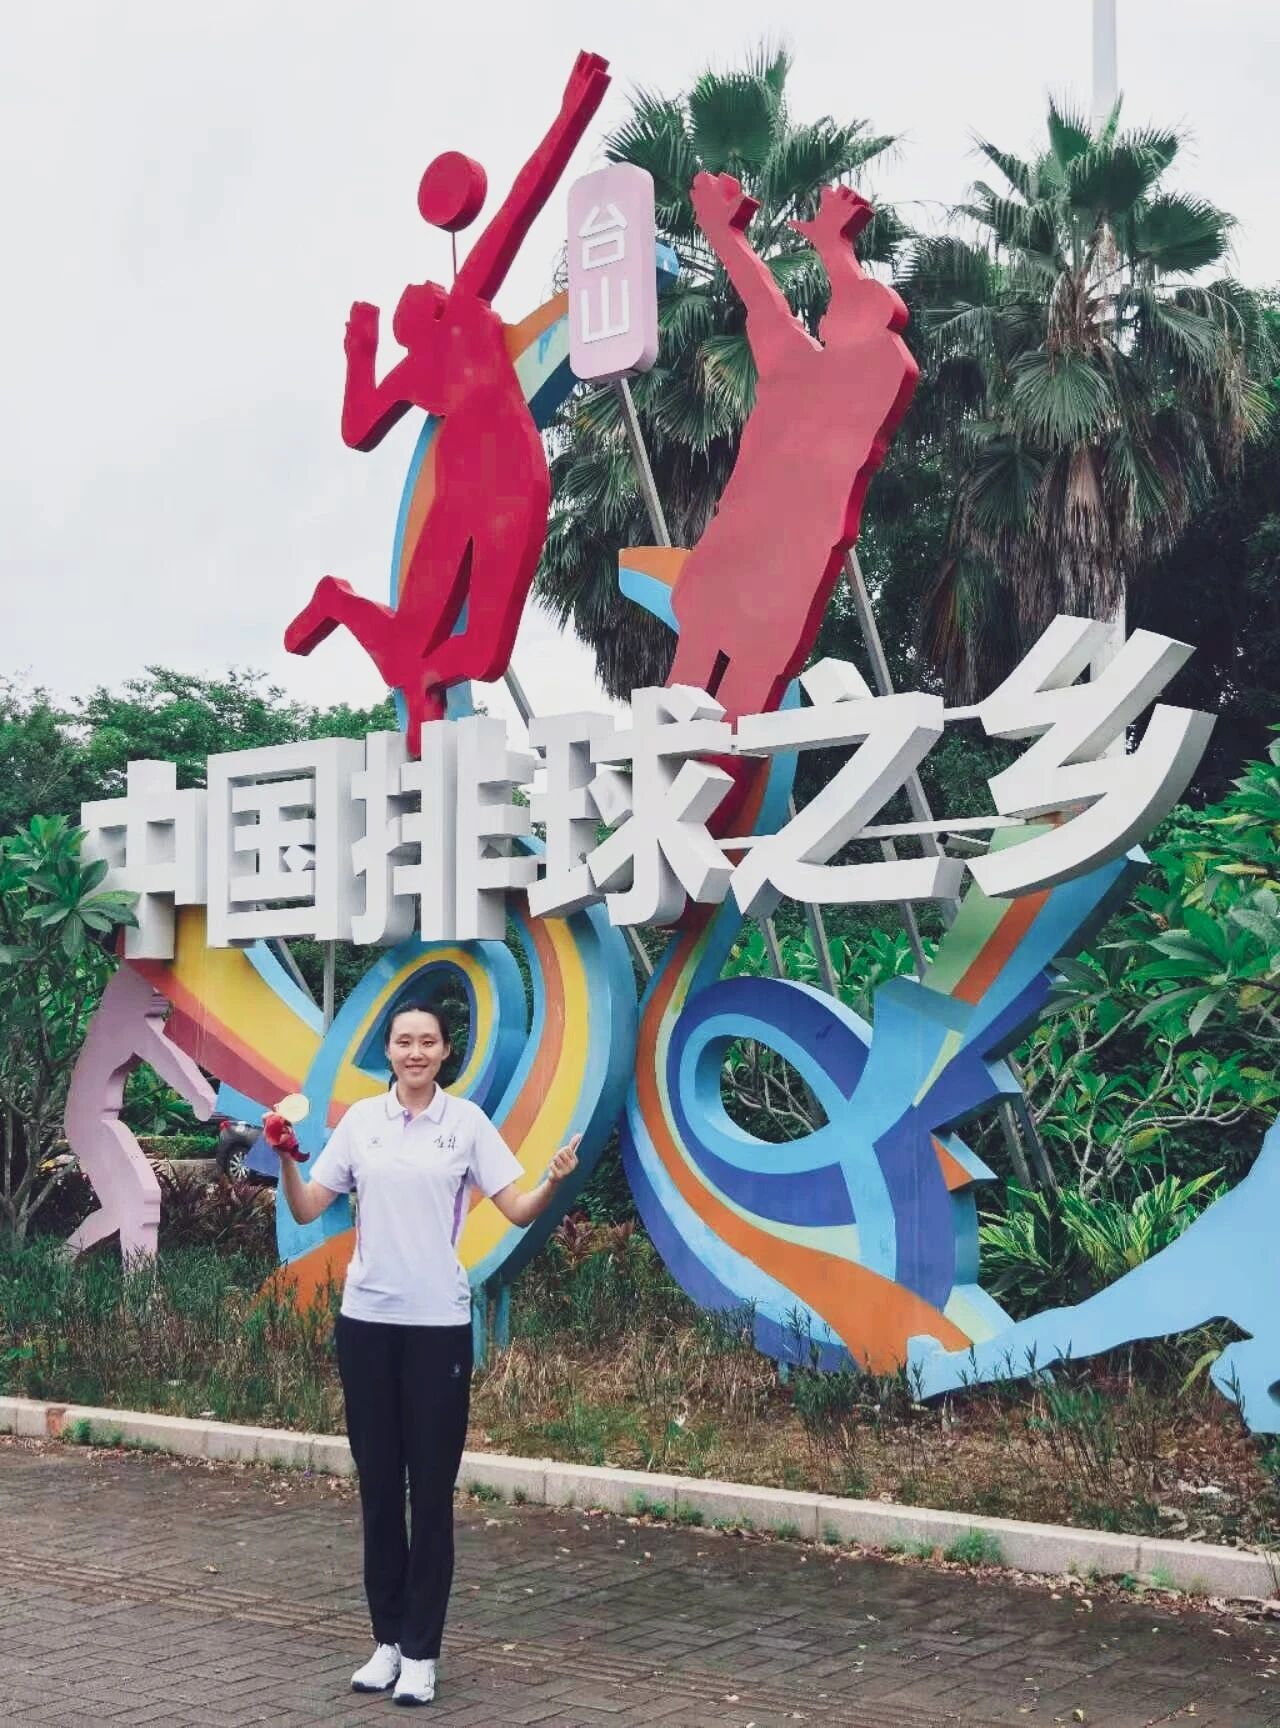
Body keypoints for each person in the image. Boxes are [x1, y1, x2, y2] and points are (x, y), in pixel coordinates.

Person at [273, 999, 580, 1706]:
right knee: (379, 1489)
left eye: (428, 1042)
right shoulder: (361, 1122)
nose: (415, 1052)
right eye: (404, 1041)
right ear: (388, 1050)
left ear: (445, 1052)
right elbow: (309, 1204)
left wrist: (554, 1178)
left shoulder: (465, 1124)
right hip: (367, 1324)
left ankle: (421, 1653)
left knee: (431, 1492)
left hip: (438, 1326)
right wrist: (287, 1160)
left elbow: (517, 1208)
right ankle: (386, 1643)